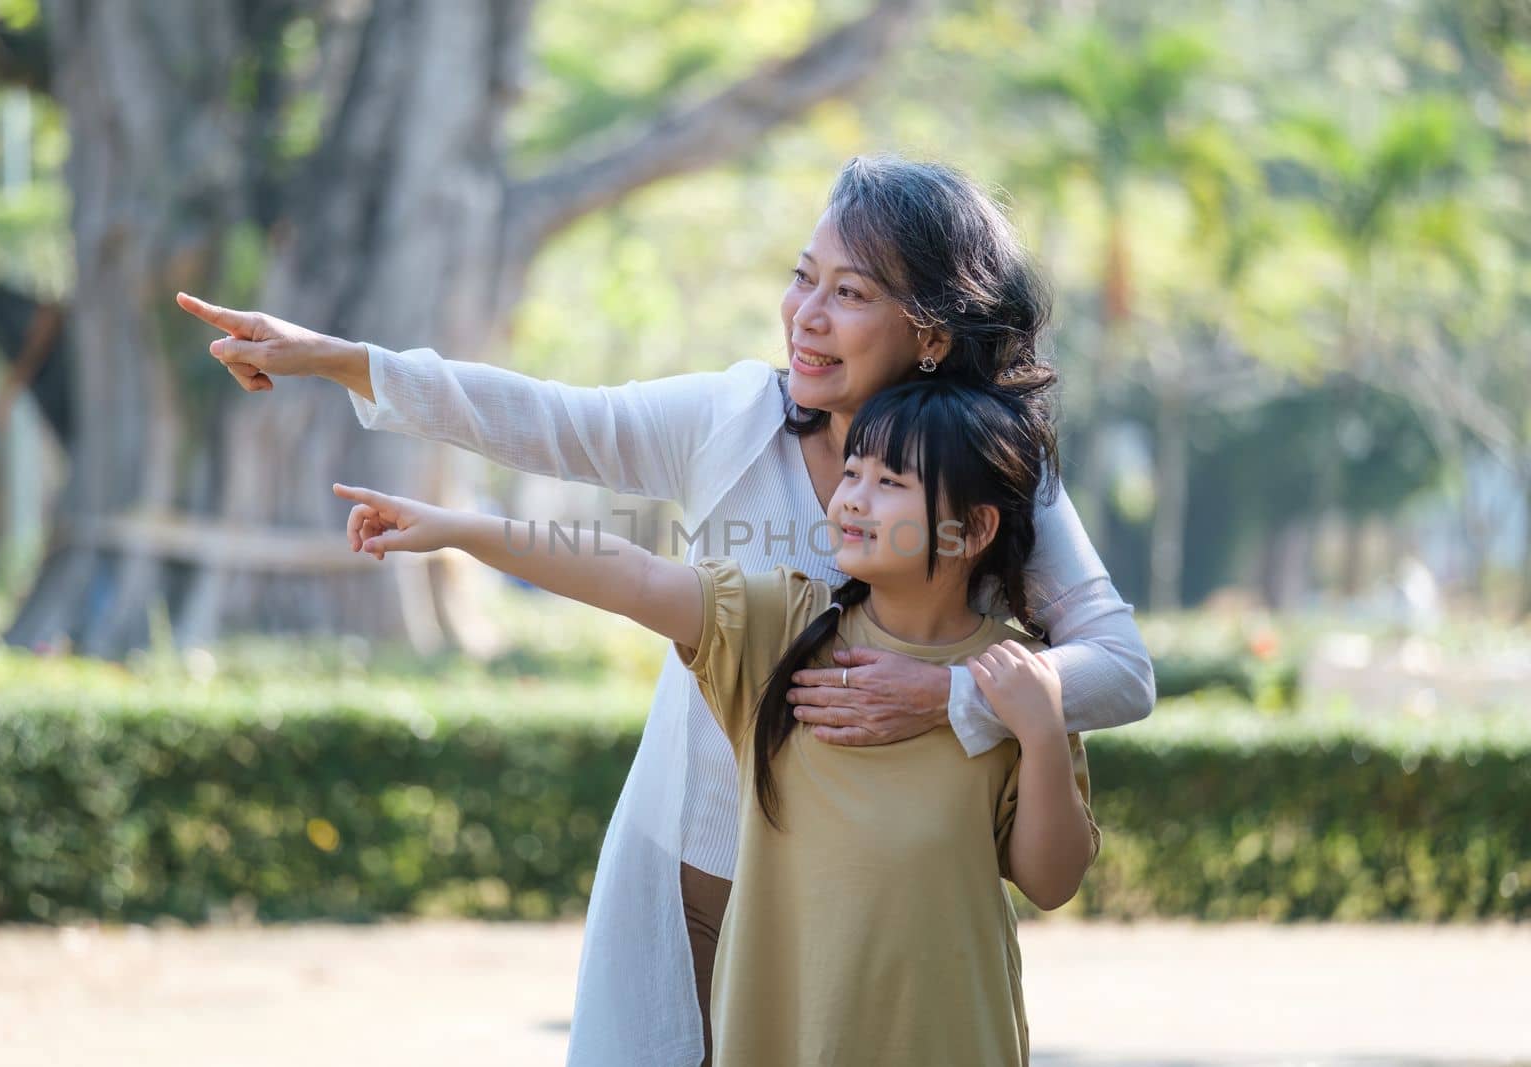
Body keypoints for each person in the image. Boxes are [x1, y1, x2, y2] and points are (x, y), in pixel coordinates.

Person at [178, 154, 1154, 1067]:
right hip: (696, 875)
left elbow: (1120, 669)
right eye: (801, 277)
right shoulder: (729, 419)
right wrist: (345, 361)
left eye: (849, 293)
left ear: (932, 332)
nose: (805, 315)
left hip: (878, 908)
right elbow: (552, 425)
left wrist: (947, 696)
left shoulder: (990, 483)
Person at [331, 373, 1099, 1065]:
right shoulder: (783, 628)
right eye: (853, 470)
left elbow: (1050, 878)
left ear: (972, 529)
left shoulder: (1016, 679)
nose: (853, 497)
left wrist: (1037, 730)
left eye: (890, 480)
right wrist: (456, 528)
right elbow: (630, 573)